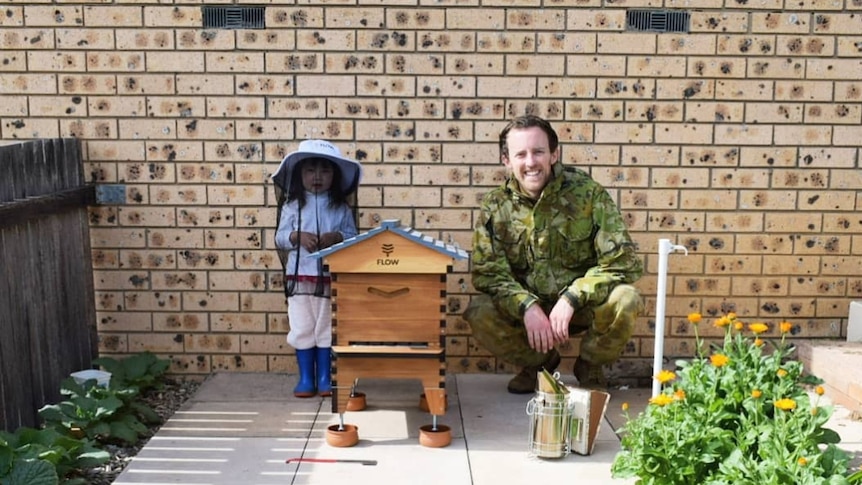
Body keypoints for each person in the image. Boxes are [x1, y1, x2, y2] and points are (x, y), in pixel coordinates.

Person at [463, 115, 644, 394]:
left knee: (626, 298)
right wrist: (525, 305)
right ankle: (539, 366)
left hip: (579, 309)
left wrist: (573, 296)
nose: (531, 162)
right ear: (506, 161)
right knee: (480, 312)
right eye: (520, 154)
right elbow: (488, 272)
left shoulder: (587, 194)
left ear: (554, 154)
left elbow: (624, 261)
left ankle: (590, 365)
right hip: (528, 314)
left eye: (538, 152)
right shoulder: (496, 206)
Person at [272, 139, 361, 398]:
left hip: (328, 278)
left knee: (325, 326)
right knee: (301, 325)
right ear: (300, 175)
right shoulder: (291, 206)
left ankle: (325, 377)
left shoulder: (341, 207)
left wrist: (337, 237)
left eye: (325, 170)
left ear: (335, 175)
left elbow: (353, 237)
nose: (318, 176)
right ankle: (305, 378)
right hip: (299, 277)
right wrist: (296, 236)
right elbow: (279, 237)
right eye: (311, 170)